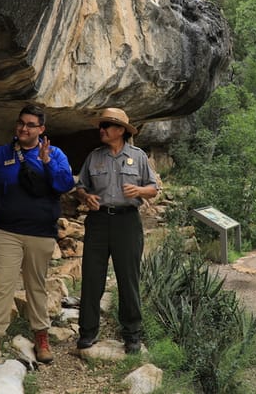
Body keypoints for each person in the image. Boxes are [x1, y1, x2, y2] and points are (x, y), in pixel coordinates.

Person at [0, 104, 75, 368]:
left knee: (36, 286)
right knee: (2, 287)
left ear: (41, 129)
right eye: (21, 123)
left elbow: (64, 185)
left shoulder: (55, 154)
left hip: (40, 233)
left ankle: (41, 336)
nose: (24, 128)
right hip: (5, 231)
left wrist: (47, 162)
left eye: (30, 125)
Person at [74, 107, 160, 354]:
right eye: (101, 126)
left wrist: (139, 191)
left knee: (128, 278)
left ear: (120, 130)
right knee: (92, 277)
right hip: (98, 222)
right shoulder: (94, 157)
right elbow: (81, 187)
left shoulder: (138, 156)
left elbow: (153, 188)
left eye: (107, 126)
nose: (101, 130)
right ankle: (87, 332)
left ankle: (132, 334)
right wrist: (86, 197)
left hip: (127, 222)